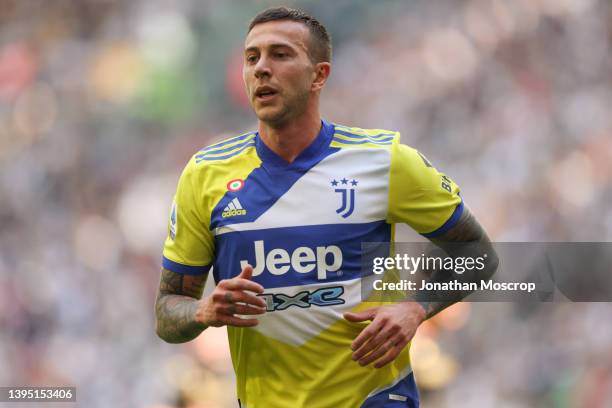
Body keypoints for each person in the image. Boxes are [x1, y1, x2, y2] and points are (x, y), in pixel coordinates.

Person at [155, 7, 497, 408]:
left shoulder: (383, 162)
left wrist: (416, 308)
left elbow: (477, 254)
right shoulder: (205, 176)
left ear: (319, 74)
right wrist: (202, 311)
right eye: (252, 58)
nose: (262, 69)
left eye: (280, 54)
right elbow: (166, 312)